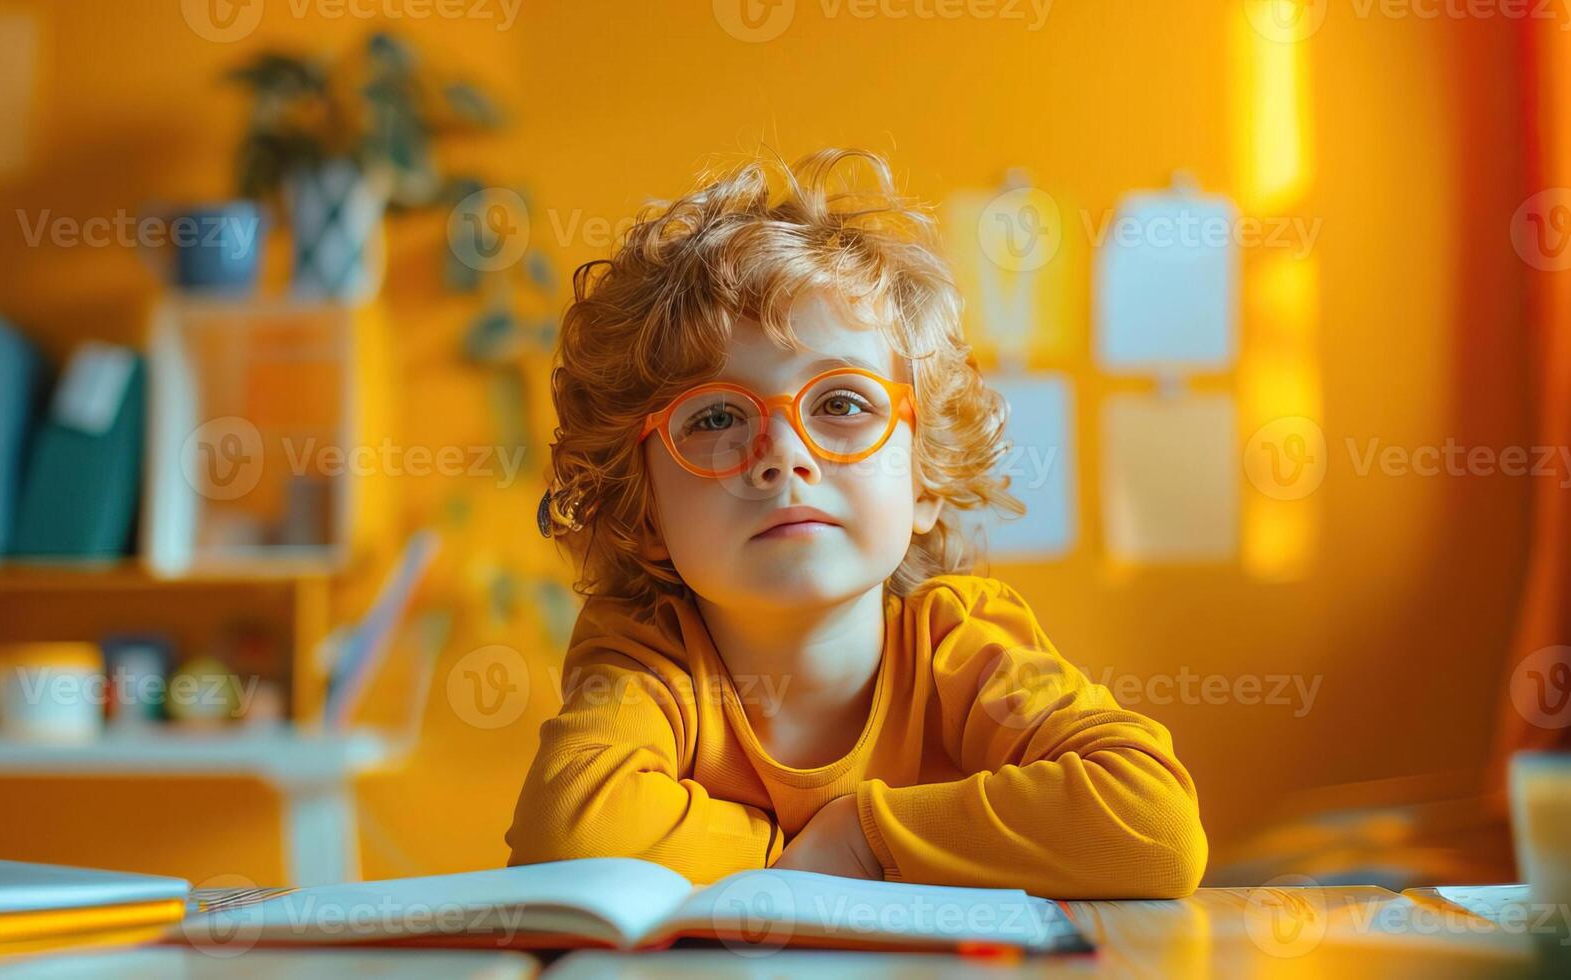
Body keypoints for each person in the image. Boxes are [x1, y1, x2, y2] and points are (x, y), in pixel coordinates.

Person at [506, 148, 1207, 898]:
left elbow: (1153, 826)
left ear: (925, 476)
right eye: (714, 417)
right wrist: (793, 860)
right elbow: (575, 832)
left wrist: (861, 842)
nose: (781, 457)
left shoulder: (956, 646)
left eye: (841, 404)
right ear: (642, 511)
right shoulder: (648, 660)